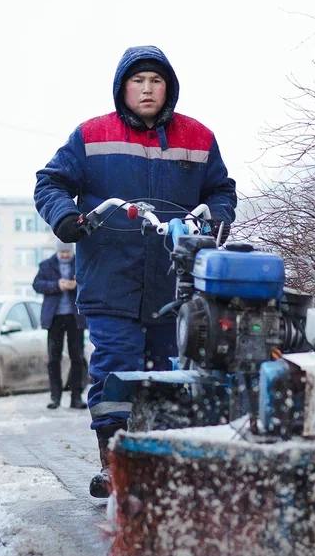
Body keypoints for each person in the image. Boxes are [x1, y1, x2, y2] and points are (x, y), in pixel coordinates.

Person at [34, 45, 237, 498]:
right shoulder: (91, 136)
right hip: (110, 279)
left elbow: (221, 191)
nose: (147, 89)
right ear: (122, 87)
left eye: (156, 81)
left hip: (175, 281)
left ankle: (164, 461)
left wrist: (215, 218)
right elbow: (50, 182)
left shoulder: (198, 138)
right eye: (138, 81)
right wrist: (65, 216)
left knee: (169, 371)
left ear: (169, 88)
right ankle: (115, 460)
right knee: (116, 366)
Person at [32, 239, 87, 410]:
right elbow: (37, 285)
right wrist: (57, 285)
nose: (64, 255)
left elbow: (90, 282)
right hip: (54, 318)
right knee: (53, 359)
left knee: (77, 358)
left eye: (67, 252)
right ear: (57, 251)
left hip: (75, 317)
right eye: (62, 252)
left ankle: (76, 397)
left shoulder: (81, 263)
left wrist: (77, 285)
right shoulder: (46, 265)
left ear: (72, 251)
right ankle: (55, 397)